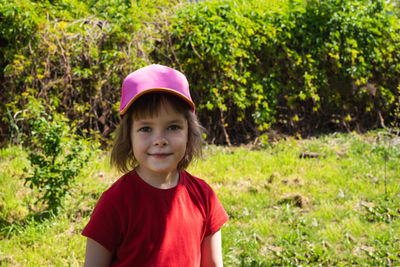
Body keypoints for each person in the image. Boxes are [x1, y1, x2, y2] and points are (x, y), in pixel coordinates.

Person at [82, 64, 229, 267]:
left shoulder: (204, 198)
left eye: (173, 127)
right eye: (146, 129)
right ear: (129, 136)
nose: (159, 140)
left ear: (189, 132)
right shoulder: (114, 203)